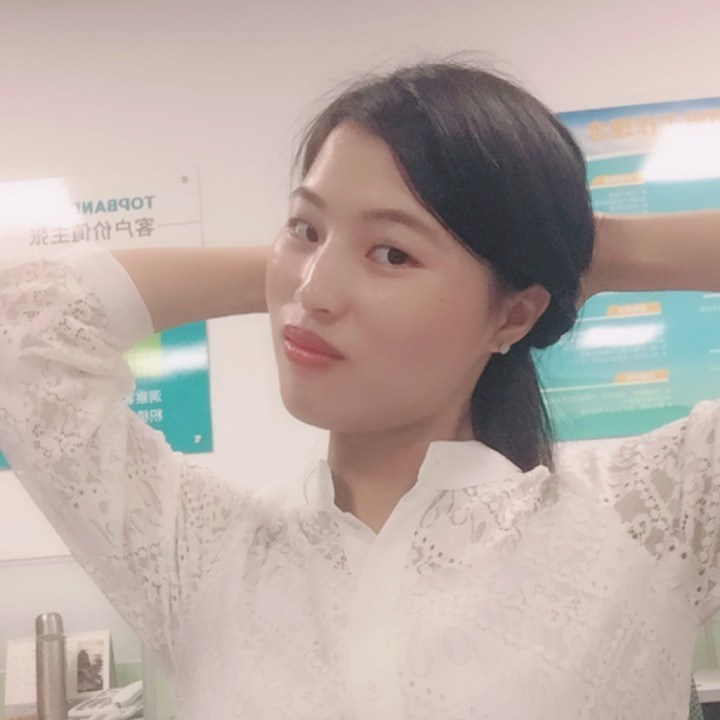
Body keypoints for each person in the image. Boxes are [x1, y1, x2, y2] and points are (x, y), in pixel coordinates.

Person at [1, 60, 719, 720]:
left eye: (393, 252)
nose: (314, 290)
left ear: (513, 316)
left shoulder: (651, 520)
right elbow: (21, 332)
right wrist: (302, 267)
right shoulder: (201, 556)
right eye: (304, 228)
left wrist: (580, 255)